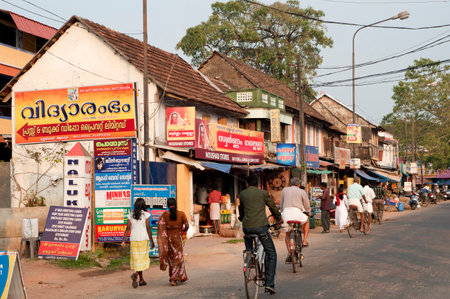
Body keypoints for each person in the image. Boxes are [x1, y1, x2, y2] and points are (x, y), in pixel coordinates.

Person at [238, 174, 282, 295]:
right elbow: (272, 207)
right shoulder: (263, 193)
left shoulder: (242, 194)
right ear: (257, 184)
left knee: (248, 238)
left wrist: (242, 218)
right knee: (271, 253)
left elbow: (241, 212)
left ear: (247, 184)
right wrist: (279, 217)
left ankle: (250, 256)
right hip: (261, 228)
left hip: (247, 228)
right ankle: (269, 283)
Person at [121, 198, 155, 288]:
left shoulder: (131, 215)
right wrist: (152, 241)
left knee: (138, 261)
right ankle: (135, 275)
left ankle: (141, 280)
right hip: (143, 239)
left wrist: (124, 241)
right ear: (143, 205)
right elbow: (148, 228)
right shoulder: (146, 215)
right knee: (142, 260)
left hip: (134, 239)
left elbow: (127, 228)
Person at [157, 198, 189, 286]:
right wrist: (183, 230)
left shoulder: (165, 215)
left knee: (171, 259)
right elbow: (186, 225)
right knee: (178, 258)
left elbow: (160, 227)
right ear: (176, 204)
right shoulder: (181, 214)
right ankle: (174, 278)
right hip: (178, 239)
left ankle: (173, 276)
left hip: (168, 240)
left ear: (168, 205)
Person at [280, 177, 311, 264]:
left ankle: (290, 253)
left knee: (287, 234)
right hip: (297, 213)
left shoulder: (284, 190)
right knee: (307, 221)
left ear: (290, 184)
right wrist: (308, 212)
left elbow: (281, 204)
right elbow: (307, 204)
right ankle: (304, 241)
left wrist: (282, 213)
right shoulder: (302, 191)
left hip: (286, 214)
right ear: (298, 185)